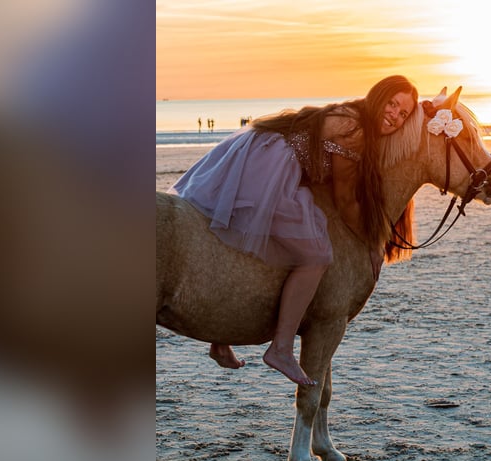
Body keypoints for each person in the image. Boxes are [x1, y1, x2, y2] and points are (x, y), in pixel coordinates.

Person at [171, 75, 419, 386]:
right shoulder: (356, 129)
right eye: (392, 104)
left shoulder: (354, 116)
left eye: (404, 114)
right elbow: (343, 198)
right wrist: (374, 235)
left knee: (247, 237)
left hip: (263, 153)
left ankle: (222, 331)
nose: (395, 115)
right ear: (378, 97)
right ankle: (281, 348)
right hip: (274, 163)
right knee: (315, 254)